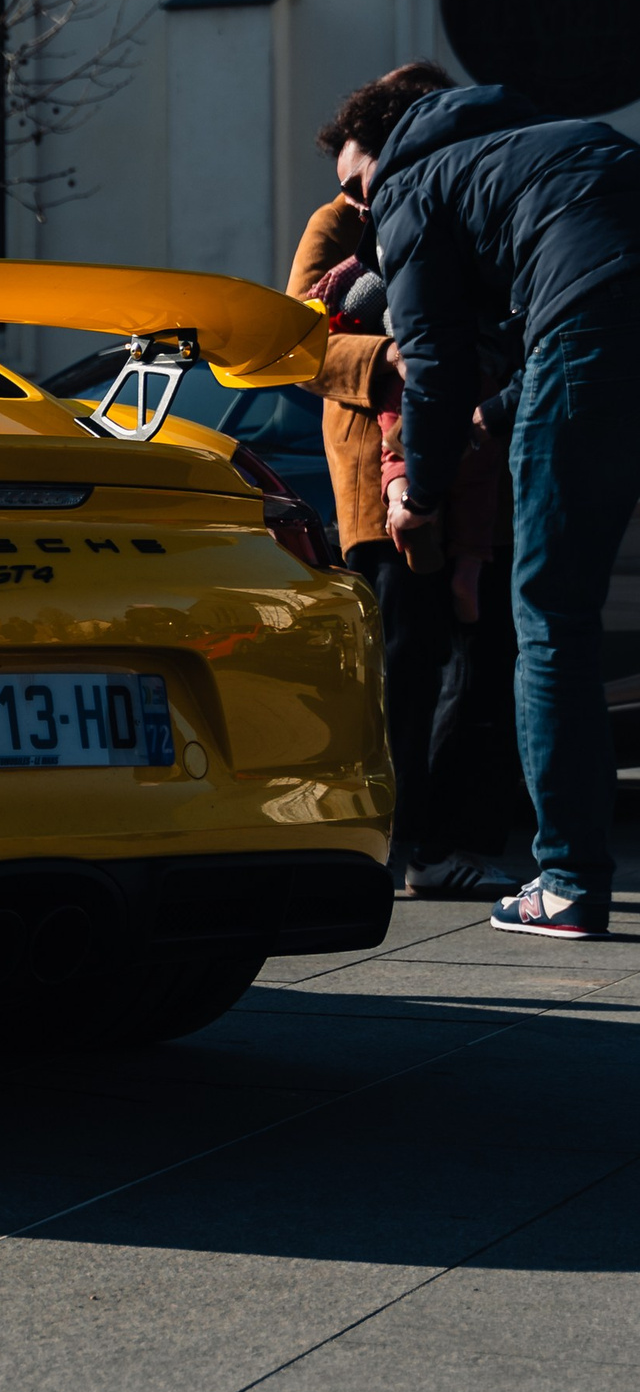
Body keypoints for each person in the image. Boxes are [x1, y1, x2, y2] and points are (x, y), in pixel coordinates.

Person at [336, 71, 640, 941]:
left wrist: (421, 493)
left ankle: (570, 882)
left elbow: (434, 361)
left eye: (359, 186)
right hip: (597, 316)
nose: (362, 209)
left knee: (552, 615)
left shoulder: (406, 186)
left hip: (590, 325)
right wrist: (491, 417)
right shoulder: (552, 139)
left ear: (386, 153)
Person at [296, 64, 518, 895]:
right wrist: (395, 352)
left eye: (360, 174)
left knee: (483, 655)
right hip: (381, 476)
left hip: (477, 459)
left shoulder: (458, 197)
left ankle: (453, 840)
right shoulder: (337, 221)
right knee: (406, 659)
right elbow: (297, 342)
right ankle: (404, 842)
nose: (357, 196)